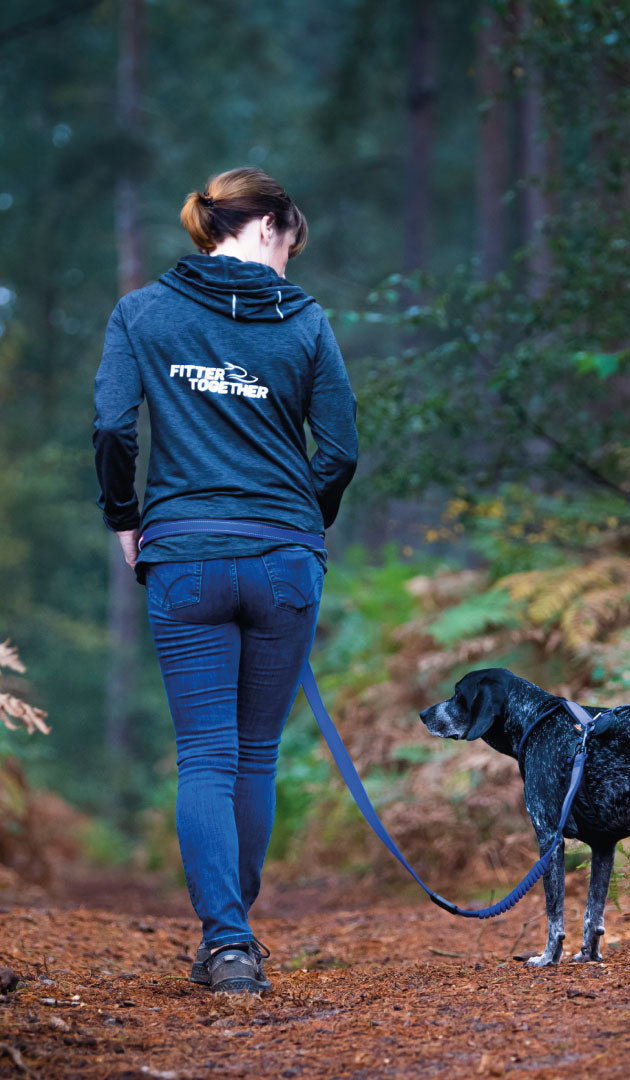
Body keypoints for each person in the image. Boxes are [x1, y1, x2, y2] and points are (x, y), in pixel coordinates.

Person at [92, 167, 359, 994]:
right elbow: (341, 450)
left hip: (184, 558)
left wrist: (125, 521)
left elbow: (112, 426)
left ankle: (228, 939)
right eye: (290, 245)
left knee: (205, 754)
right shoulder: (306, 321)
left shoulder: (142, 312)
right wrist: (297, 526)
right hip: (284, 559)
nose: (289, 265)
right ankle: (235, 932)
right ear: (271, 224)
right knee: (254, 753)